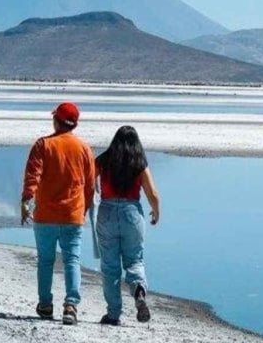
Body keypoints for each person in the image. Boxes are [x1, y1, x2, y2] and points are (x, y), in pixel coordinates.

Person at [21, 101, 97, 325]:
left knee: (45, 261)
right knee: (72, 260)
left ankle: (45, 305)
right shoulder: (84, 149)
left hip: (45, 215)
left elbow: (32, 176)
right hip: (72, 215)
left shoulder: (43, 145)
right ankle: (71, 305)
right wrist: (83, 209)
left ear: (57, 120)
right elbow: (90, 186)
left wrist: (26, 201)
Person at [93, 125, 161, 325]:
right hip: (132, 213)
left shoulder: (103, 160)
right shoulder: (139, 163)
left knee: (110, 266)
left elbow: (87, 183)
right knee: (134, 261)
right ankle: (139, 290)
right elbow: (152, 193)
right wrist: (156, 212)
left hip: (106, 212)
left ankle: (114, 314)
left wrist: (87, 203)